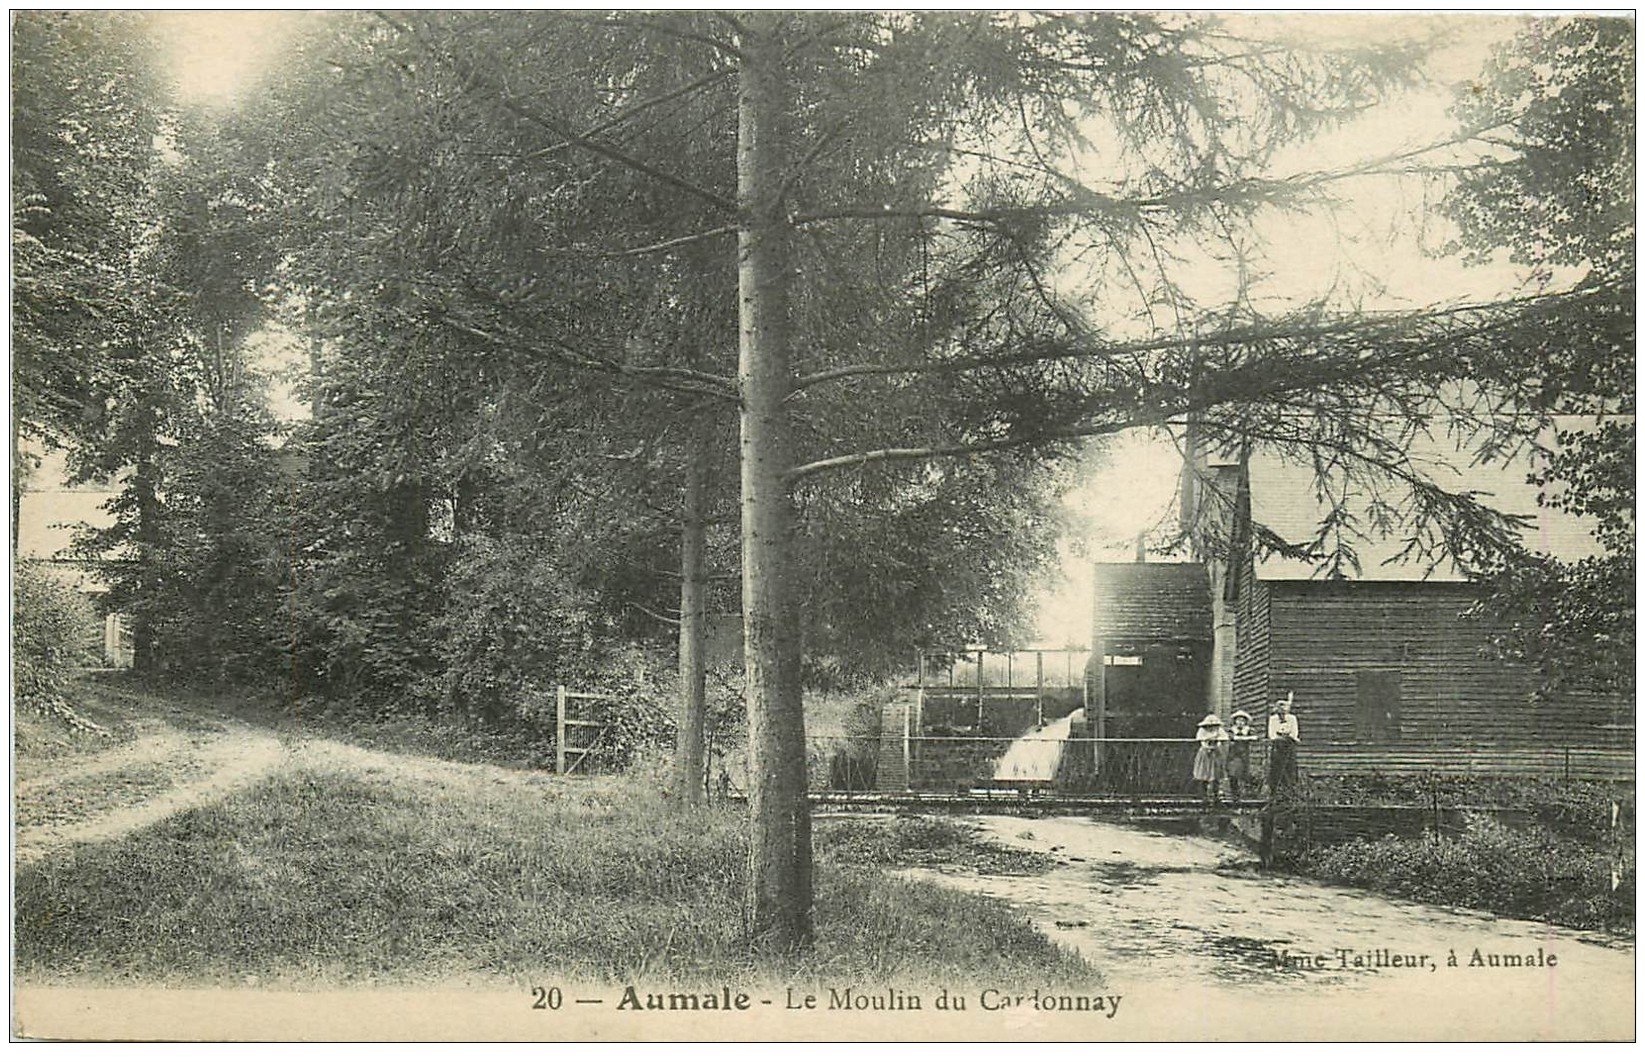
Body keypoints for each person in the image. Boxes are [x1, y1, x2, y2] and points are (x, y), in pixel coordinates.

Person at [1267, 692, 1300, 795]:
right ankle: (1275, 791)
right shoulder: (1273, 719)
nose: (1282, 715)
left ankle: (1289, 790)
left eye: (1284, 712)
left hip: (1289, 745)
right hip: (1277, 746)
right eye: (1280, 712)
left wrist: (1290, 737)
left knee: (1290, 767)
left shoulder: (1292, 718)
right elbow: (1272, 734)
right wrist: (1279, 737)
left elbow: (1294, 732)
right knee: (1276, 768)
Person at [1192, 713, 1228, 805]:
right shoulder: (1202, 730)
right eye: (1209, 725)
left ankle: (1216, 796)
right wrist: (1209, 744)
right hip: (1205, 754)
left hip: (1215, 754)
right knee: (1204, 775)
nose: (1211, 727)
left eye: (1214, 725)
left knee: (1216, 776)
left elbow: (1223, 739)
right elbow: (1201, 741)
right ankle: (1204, 796)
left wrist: (1215, 743)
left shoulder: (1219, 730)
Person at [1225, 709, 1256, 800]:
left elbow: (1255, 737)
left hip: (1244, 754)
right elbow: (1231, 738)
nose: (1240, 723)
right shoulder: (1231, 730)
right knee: (1233, 773)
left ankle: (1244, 794)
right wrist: (1243, 738)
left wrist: (1245, 738)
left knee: (1244, 773)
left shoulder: (1248, 730)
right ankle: (1234, 793)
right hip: (1233, 754)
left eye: (1243, 721)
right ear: (1235, 721)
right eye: (1238, 720)